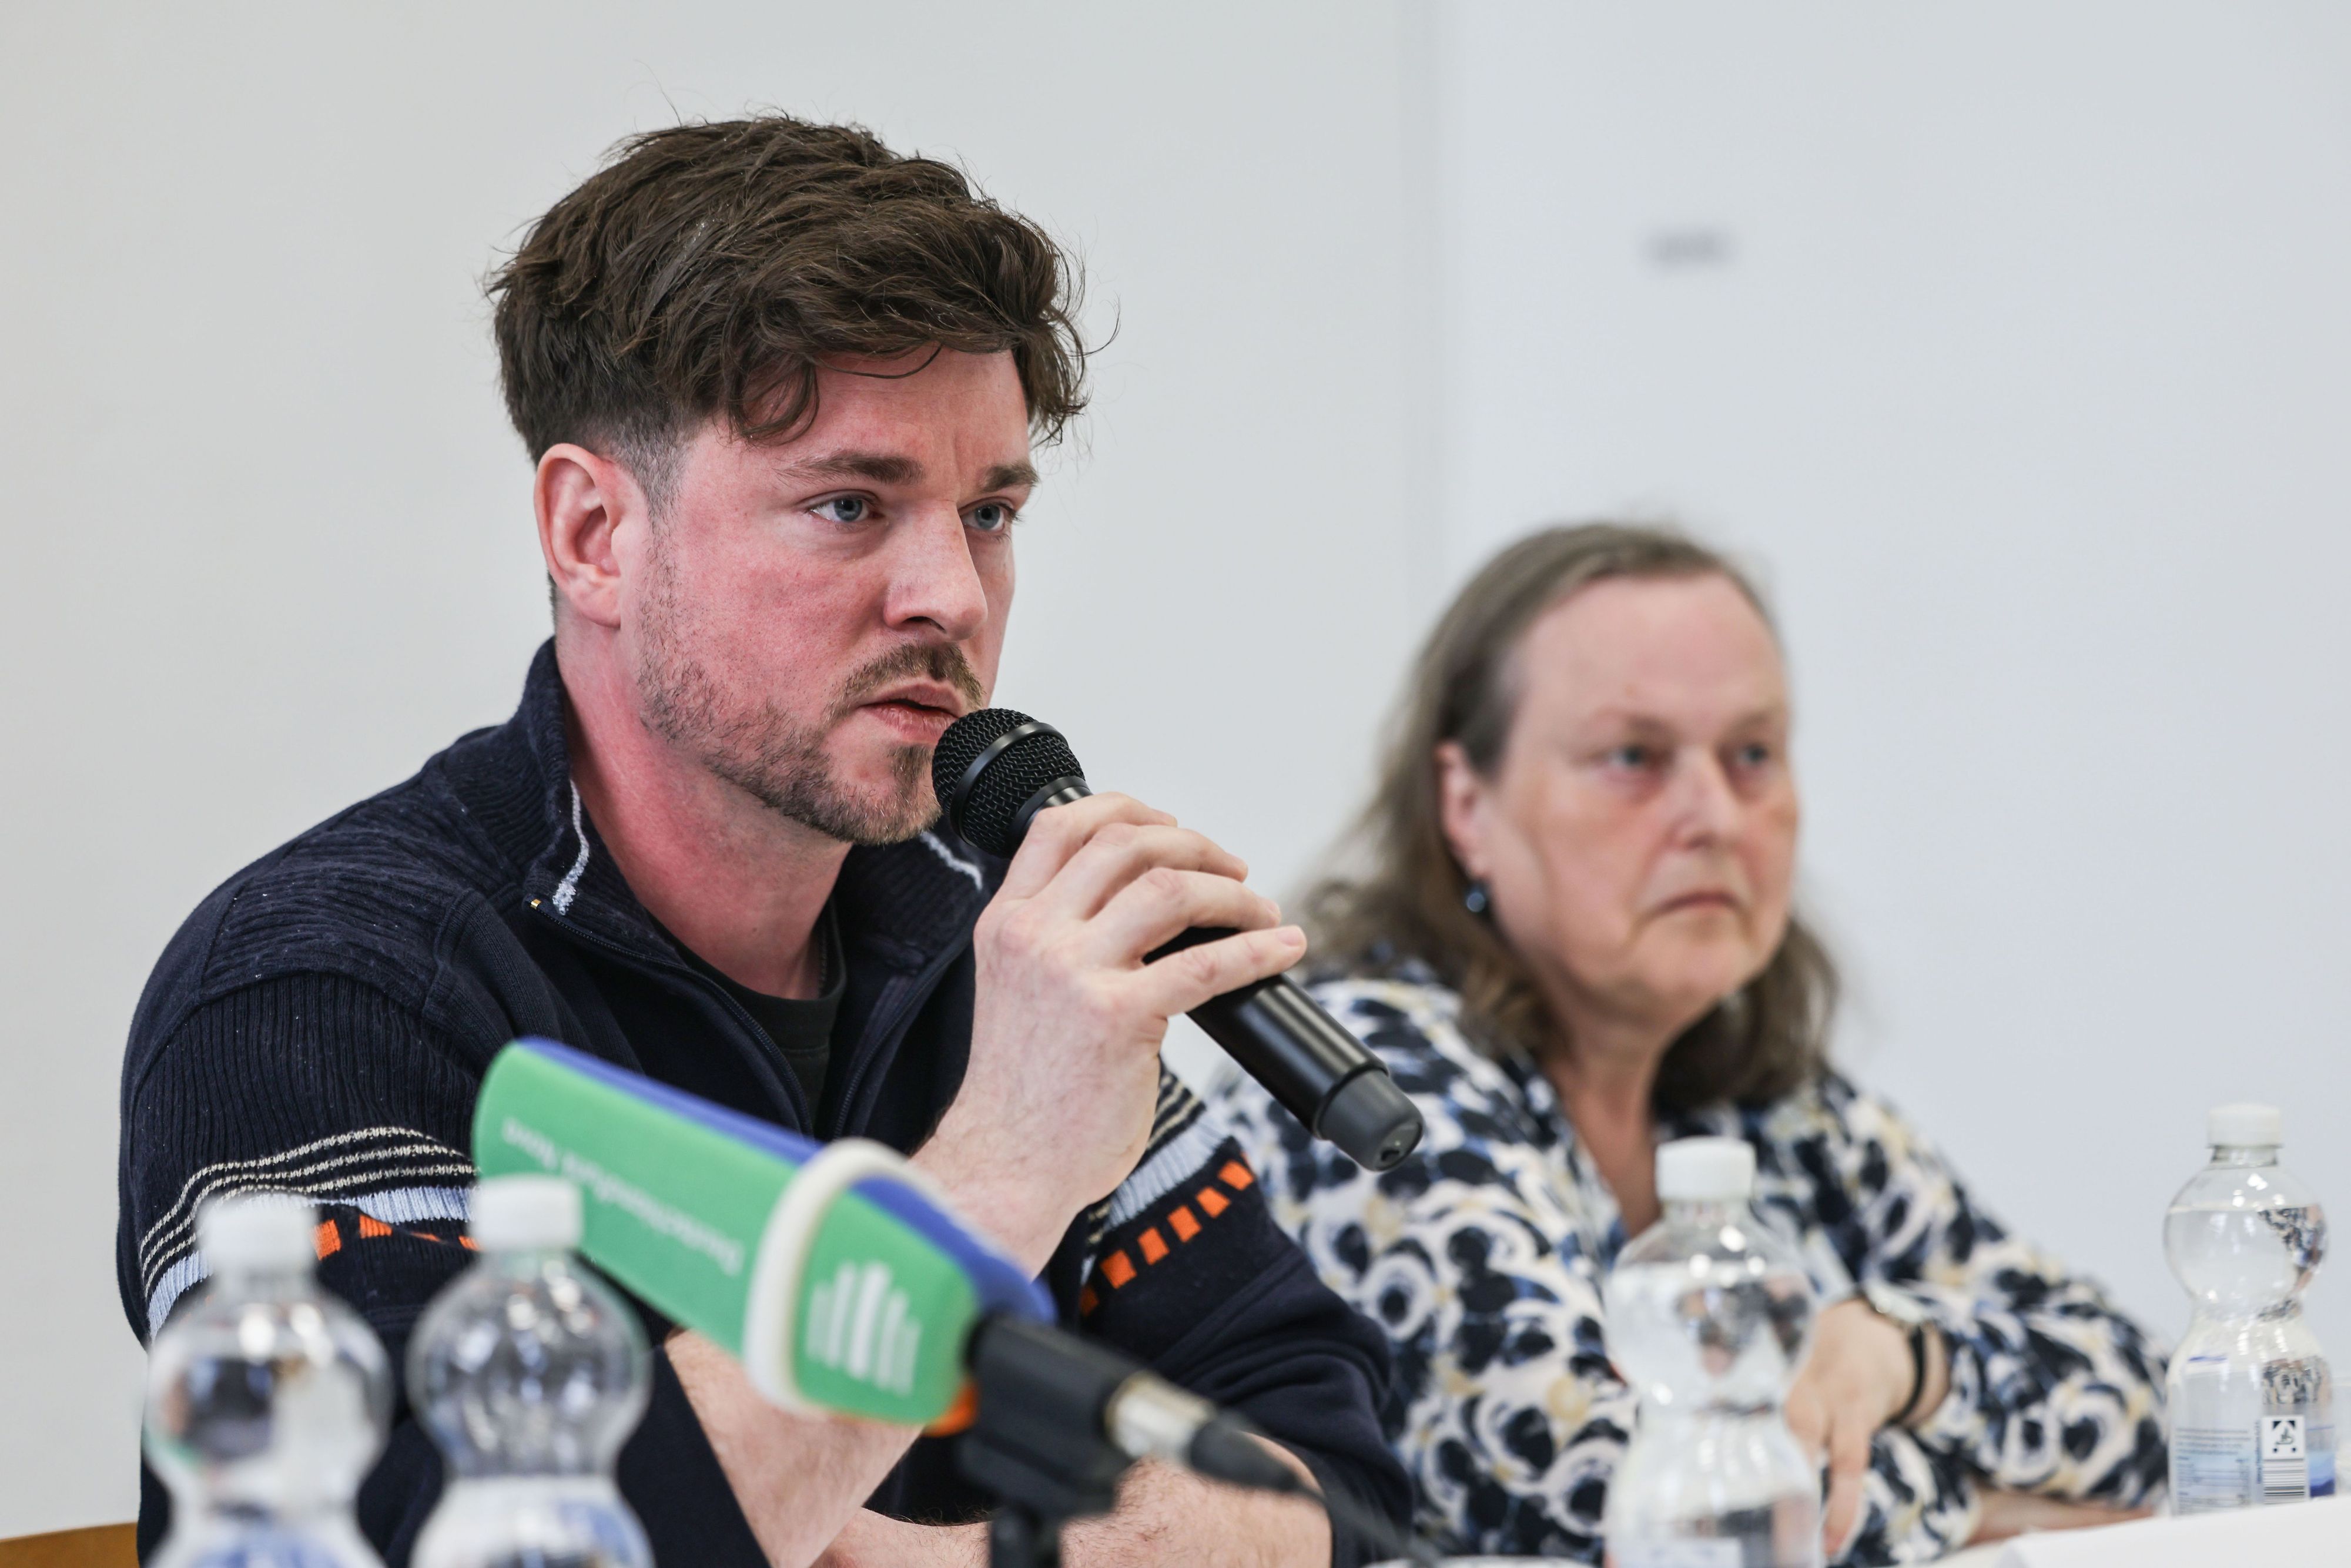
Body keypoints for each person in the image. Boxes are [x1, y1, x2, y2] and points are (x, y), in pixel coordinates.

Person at [115, 116, 1407, 1568]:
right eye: (848, 504)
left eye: (986, 512)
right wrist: (992, 1172)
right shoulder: (317, 984)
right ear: (594, 532)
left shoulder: (978, 939)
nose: (951, 596)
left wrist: (940, 1563)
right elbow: (447, 1544)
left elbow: (1335, 1487)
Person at [1207, 524, 2168, 1564]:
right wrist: (1989, 1512)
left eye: (1753, 754)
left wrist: (1904, 1352)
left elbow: (2164, 1406)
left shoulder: (1769, 1100)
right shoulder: (1354, 1067)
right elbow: (1598, 1495)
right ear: (1467, 804)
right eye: (1633, 758)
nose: (1715, 814)